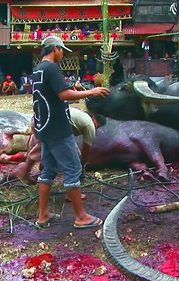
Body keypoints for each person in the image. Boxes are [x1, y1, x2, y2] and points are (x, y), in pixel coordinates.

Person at [31, 35, 109, 229]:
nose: (63, 53)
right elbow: (63, 94)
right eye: (62, 50)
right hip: (58, 129)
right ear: (55, 49)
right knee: (72, 170)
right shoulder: (51, 68)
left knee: (48, 170)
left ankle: (42, 215)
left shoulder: (38, 69)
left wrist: (72, 90)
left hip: (45, 128)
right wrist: (91, 92)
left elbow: (55, 95)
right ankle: (81, 217)